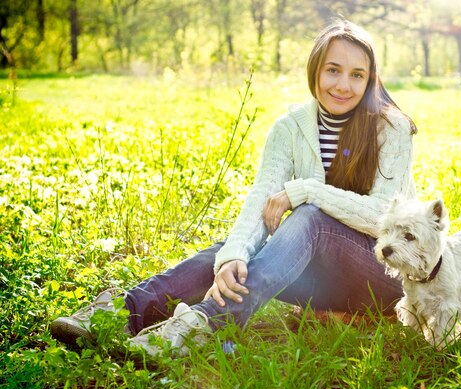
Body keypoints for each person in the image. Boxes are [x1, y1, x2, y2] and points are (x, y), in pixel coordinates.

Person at [50, 19, 417, 357]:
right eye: (333, 70)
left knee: (311, 217)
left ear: (370, 80)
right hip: (322, 280)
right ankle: (120, 313)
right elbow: (262, 197)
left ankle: (205, 322)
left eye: (357, 75)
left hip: (383, 276)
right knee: (229, 255)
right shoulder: (289, 128)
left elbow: (383, 217)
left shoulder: (390, 128)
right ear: (315, 70)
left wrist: (307, 190)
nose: (343, 85)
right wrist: (234, 256)